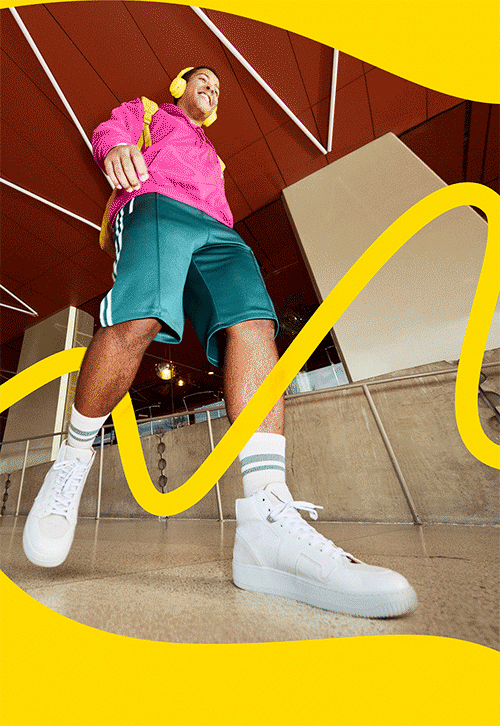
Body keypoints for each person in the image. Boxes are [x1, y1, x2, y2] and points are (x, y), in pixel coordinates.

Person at [23, 67, 418, 619]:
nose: (210, 89)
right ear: (180, 88)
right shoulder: (151, 112)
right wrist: (115, 148)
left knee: (253, 323)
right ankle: (71, 458)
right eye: (202, 81)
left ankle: (266, 520)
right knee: (141, 317)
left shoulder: (216, 156)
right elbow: (111, 129)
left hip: (218, 229)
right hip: (155, 201)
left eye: (216, 87)